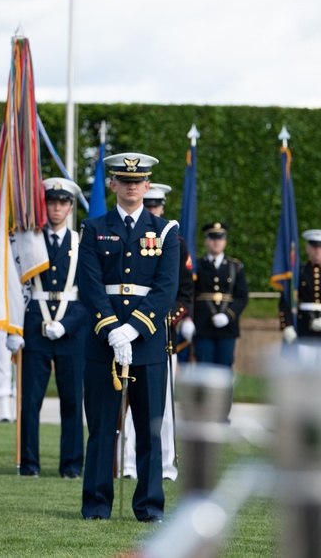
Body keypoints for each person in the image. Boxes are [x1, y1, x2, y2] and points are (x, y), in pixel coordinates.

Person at [78, 152, 179, 523]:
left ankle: (150, 507)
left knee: (150, 432)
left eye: (139, 181)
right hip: (102, 342)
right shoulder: (92, 228)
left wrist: (133, 328)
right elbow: (89, 284)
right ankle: (96, 505)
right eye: (124, 179)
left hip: (148, 342)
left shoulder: (166, 230)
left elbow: (166, 288)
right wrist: (110, 328)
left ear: (147, 185)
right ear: (113, 184)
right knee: (103, 428)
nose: (132, 185)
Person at [6, 177, 86, 479]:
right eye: (51, 202)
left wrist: (67, 325)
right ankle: (29, 465)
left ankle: (71, 466)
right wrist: (13, 328)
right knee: (30, 402)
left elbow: (89, 294)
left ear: (70, 207)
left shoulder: (81, 242)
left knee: (72, 403)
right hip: (34, 327)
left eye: (62, 203)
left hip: (72, 332)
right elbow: (14, 285)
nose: (56, 208)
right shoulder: (28, 240)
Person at [120, 183, 195, 481]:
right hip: (124, 331)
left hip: (161, 335)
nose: (151, 211)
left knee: (160, 408)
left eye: (156, 206)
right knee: (124, 408)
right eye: (147, 205)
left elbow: (183, 292)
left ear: (162, 207)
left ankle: (164, 466)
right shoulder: (126, 236)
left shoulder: (174, 240)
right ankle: (125, 465)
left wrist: (165, 317)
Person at [192, 223, 248, 370]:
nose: (216, 241)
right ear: (206, 241)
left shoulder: (235, 266)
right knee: (204, 368)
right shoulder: (196, 265)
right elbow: (190, 294)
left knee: (225, 368)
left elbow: (242, 296)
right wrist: (188, 319)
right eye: (212, 237)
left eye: (220, 238)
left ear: (225, 241)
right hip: (202, 325)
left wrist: (228, 316)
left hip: (227, 327)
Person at [280, 230, 321, 355]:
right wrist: (287, 325)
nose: (318, 251)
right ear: (308, 248)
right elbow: (286, 301)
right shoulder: (299, 273)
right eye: (314, 247)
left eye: (320, 247)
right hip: (303, 328)